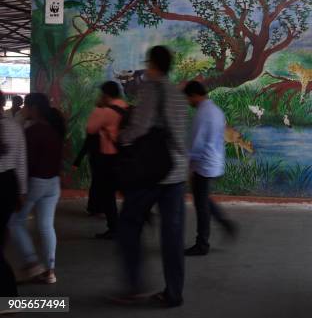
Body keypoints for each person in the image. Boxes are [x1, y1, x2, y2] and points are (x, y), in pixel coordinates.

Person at [115, 46, 188, 308]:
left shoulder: (151, 88)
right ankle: (173, 293)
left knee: (128, 224)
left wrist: (121, 138)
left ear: (152, 64)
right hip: (177, 173)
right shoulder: (178, 94)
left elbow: (140, 126)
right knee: (173, 235)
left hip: (152, 172)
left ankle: (134, 285)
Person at [9, 93, 65, 285]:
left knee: (14, 222)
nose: (23, 109)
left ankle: (31, 261)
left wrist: (20, 191)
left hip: (35, 183)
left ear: (34, 108)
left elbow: (25, 164)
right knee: (46, 226)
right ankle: (50, 271)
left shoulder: (33, 132)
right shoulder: (54, 129)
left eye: (26, 106)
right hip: (53, 183)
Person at [183, 81, 236, 256]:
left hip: (203, 164)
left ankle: (202, 244)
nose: (188, 101)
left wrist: (190, 166)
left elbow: (196, 144)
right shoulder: (216, 110)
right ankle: (225, 223)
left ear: (194, 96)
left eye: (188, 98)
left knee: (201, 205)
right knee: (203, 198)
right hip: (214, 161)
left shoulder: (202, 114)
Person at [85, 81, 129, 239]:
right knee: (125, 191)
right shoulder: (126, 107)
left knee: (107, 194)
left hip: (109, 157)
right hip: (125, 156)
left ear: (105, 95)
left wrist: (98, 107)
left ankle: (114, 227)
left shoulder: (105, 111)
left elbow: (90, 128)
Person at [0, 91, 26, 298]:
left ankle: (8, 296)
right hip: (8, 184)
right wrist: (21, 192)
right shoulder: (15, 127)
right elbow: (20, 161)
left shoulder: (12, 126)